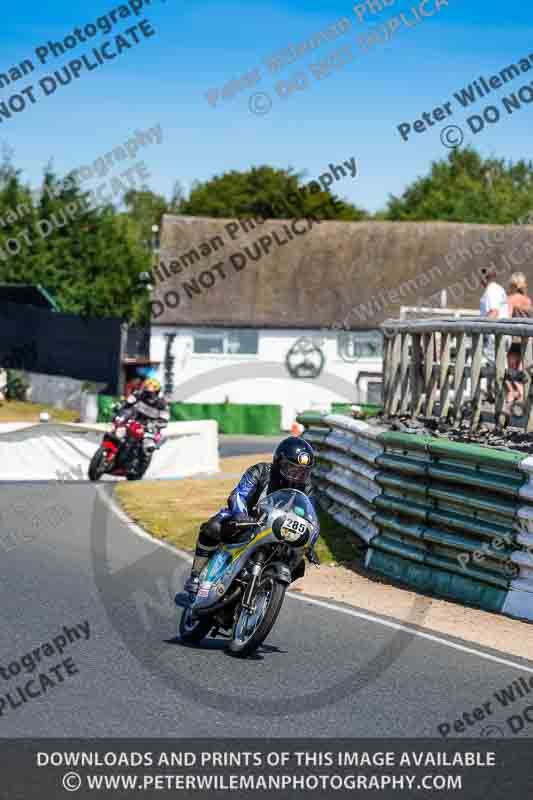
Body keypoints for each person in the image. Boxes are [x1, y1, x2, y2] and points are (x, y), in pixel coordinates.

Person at [177, 437, 320, 601]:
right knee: (213, 527)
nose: (296, 476)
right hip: (246, 521)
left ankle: (266, 593)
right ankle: (195, 576)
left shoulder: (306, 488)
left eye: (302, 472)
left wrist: (310, 543)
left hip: (276, 532)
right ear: (278, 462)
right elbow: (239, 494)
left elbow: (311, 518)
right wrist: (240, 515)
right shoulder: (261, 471)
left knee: (297, 563)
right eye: (291, 469)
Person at [113, 378, 170, 476]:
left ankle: (139, 465)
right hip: (134, 420)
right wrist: (119, 406)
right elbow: (127, 403)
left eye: (151, 393)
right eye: (147, 392)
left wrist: (156, 424)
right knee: (117, 429)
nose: (149, 395)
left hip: (150, 426)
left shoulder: (162, 404)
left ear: (157, 392)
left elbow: (165, 420)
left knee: (148, 445)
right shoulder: (138, 394)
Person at [506, 272, 533, 402]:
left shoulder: (511, 299)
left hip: (515, 338)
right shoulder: (528, 300)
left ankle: (518, 393)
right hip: (528, 339)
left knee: (509, 368)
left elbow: (507, 317)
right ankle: (522, 394)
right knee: (524, 368)